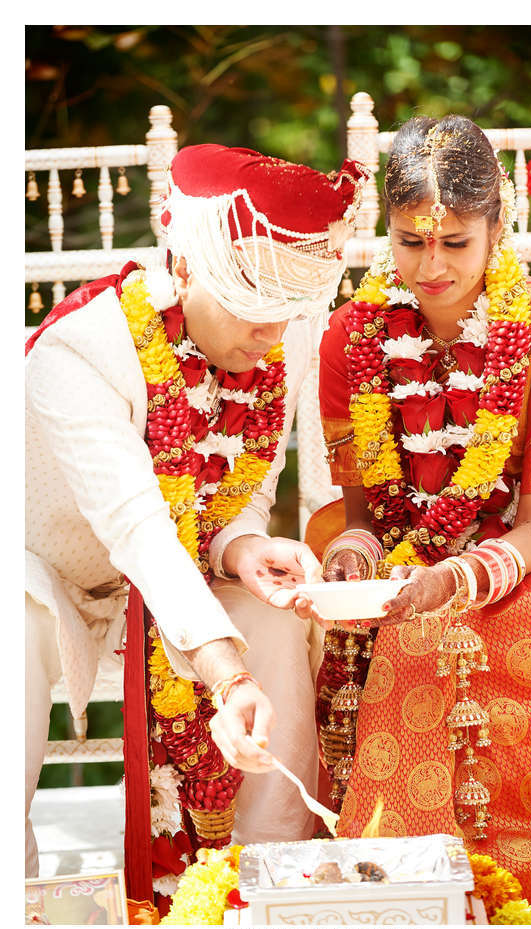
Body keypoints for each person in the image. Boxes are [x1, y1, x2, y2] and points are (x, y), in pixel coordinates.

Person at [25, 142, 368, 883]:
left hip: (173, 580)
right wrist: (224, 677)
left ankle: (272, 880)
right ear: (183, 269)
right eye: (253, 312)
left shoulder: (273, 341)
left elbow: (243, 490)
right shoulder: (79, 352)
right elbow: (139, 528)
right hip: (41, 574)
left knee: (275, 613)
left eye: (288, 315)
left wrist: (244, 549)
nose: (273, 335)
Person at [315, 115, 531, 925]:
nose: (432, 265)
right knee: (382, 617)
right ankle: (406, 908)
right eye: (412, 242)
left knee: (514, 621)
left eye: (456, 242)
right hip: (421, 539)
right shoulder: (354, 337)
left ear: (498, 228)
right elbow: (363, 517)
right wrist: (354, 555)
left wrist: (458, 574)